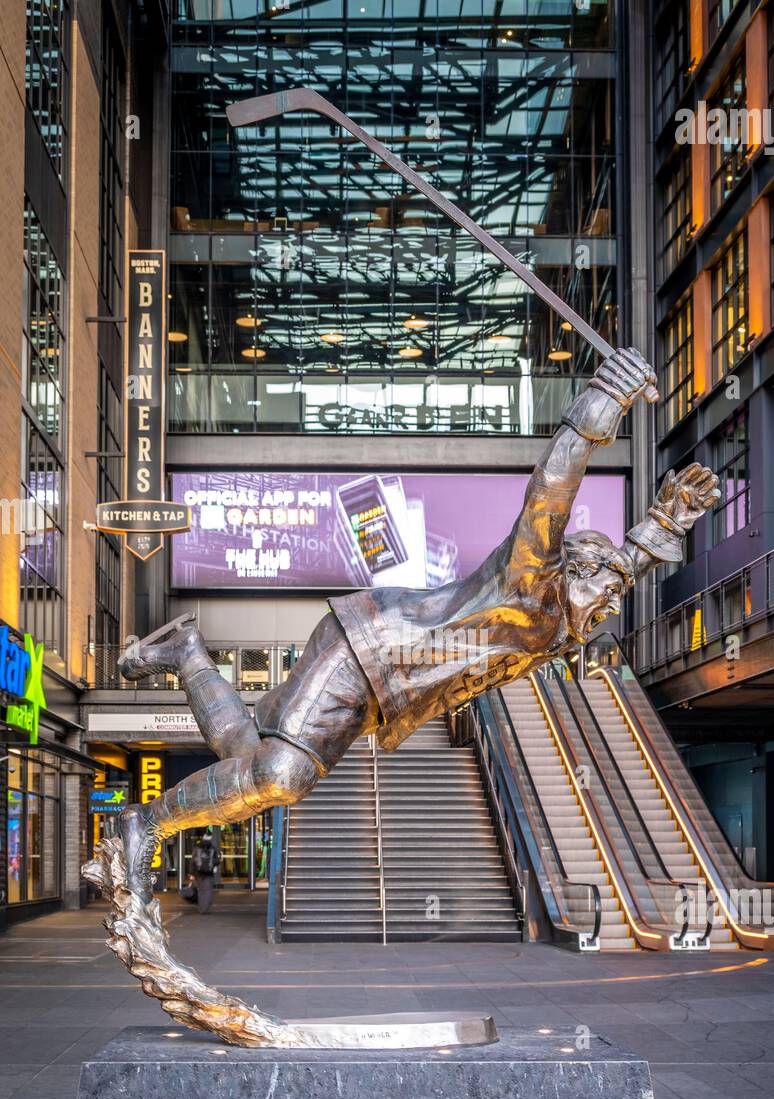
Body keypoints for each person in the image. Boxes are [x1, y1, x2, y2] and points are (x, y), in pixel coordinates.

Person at [118, 347, 720, 901]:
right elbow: (552, 487)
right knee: (280, 776)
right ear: (571, 569)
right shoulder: (532, 575)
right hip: (372, 646)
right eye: (603, 584)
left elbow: (628, 564)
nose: (612, 599)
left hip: (384, 686)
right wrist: (604, 399)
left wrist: (663, 528)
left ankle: (187, 650)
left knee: (244, 752)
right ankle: (143, 824)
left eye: (616, 590)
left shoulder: (563, 621)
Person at [190, 832, 220, 914]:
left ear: (203, 837)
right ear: (210, 838)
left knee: (200, 891)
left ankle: (201, 908)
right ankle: (205, 907)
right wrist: (214, 866)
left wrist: (192, 873)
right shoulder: (212, 848)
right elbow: (217, 861)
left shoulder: (197, 847)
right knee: (207, 891)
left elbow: (193, 861)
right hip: (208, 873)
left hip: (199, 872)